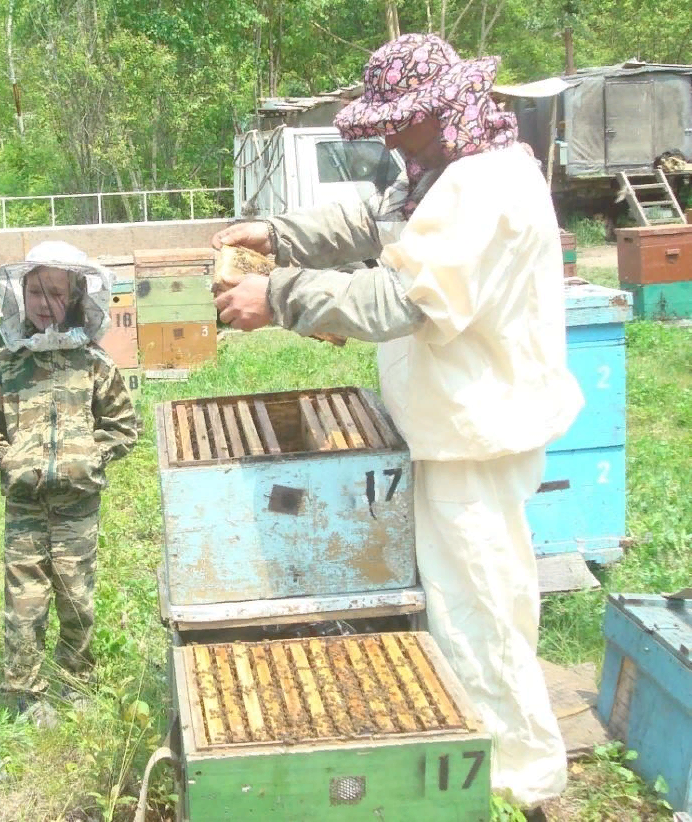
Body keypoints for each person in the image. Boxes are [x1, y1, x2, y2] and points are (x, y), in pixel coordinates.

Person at [212, 33, 584, 813]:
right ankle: (484, 749)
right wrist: (276, 235)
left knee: (480, 602)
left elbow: (394, 301)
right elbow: (374, 225)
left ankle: (516, 774)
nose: (389, 135)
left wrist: (275, 296)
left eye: (401, 121)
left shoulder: (481, 188)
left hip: (476, 428)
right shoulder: (447, 169)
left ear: (446, 111)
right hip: (460, 421)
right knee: (470, 594)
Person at [0, 241, 138, 728]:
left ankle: (76, 681)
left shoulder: (94, 365)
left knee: (75, 596)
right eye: (34, 290)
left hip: (77, 507)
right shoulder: (6, 366)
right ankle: (26, 694)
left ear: (74, 299)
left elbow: (124, 426)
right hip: (23, 506)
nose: (44, 301)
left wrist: (89, 457)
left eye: (55, 292)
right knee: (23, 601)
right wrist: (6, 459)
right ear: (20, 296)